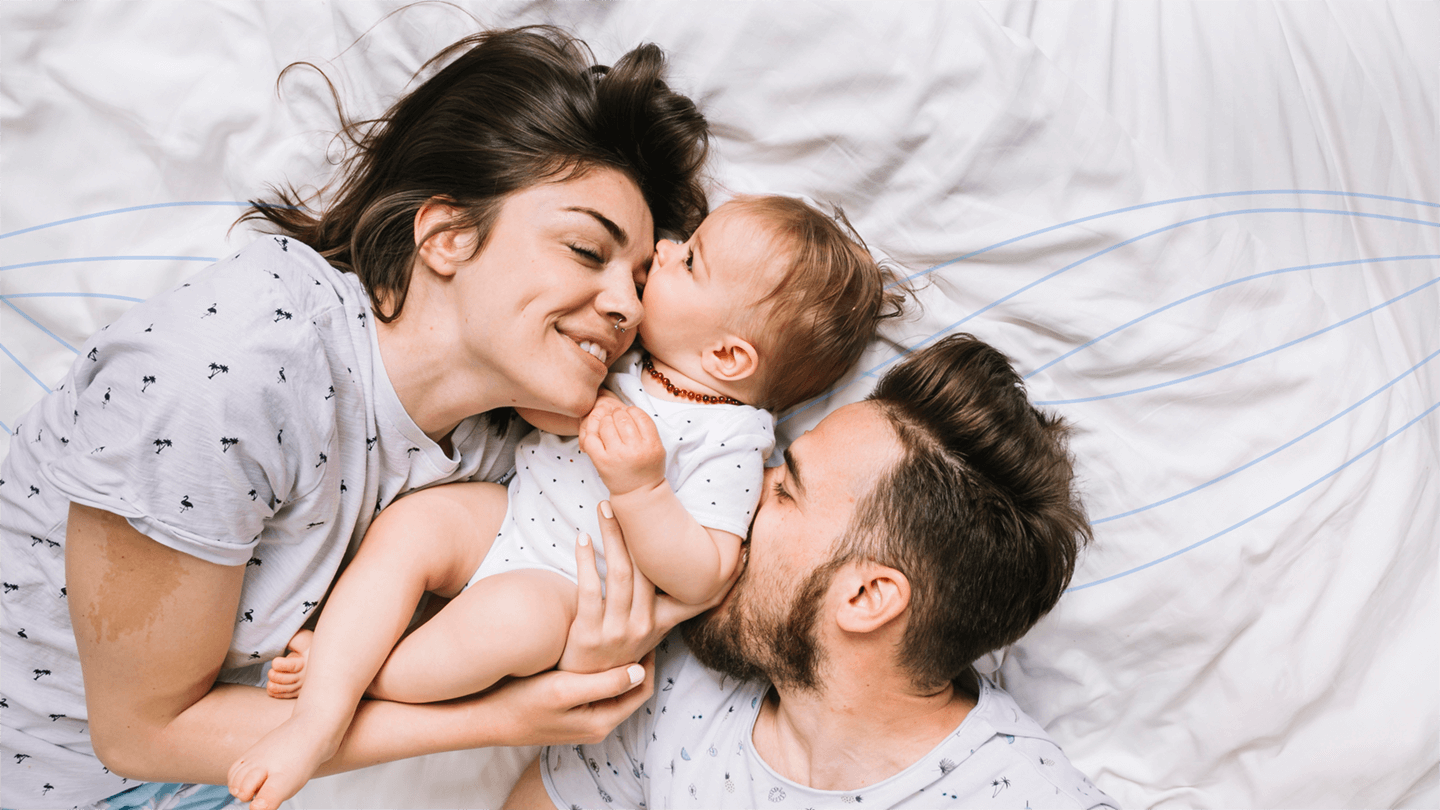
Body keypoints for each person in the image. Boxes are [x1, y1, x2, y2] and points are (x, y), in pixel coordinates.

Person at [0, 26, 711, 810]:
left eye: (642, 279)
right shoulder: (234, 364)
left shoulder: (507, 440)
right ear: (447, 235)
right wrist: (498, 718)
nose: (625, 306)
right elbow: (140, 734)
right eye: (586, 249)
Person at [226, 193, 904, 810]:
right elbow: (543, 409)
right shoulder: (629, 361)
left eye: (690, 261)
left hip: (565, 588)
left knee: (509, 620)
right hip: (510, 512)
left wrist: (642, 487)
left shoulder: (731, 440)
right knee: (416, 525)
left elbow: (705, 569)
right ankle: (330, 688)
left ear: (728, 356)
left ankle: (357, 680)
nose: (664, 249)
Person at [505, 333, 1120, 810]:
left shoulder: (1023, 795)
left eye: (786, 488)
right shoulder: (670, 691)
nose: (750, 485)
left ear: (867, 596)